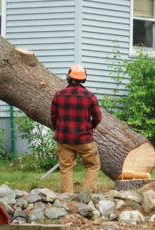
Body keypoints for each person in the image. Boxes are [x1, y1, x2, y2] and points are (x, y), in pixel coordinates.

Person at [50, 64, 102, 193]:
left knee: (66, 168)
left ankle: (66, 198)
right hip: (84, 140)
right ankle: (86, 195)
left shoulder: (58, 94)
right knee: (93, 165)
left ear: (69, 78)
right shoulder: (90, 96)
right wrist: (92, 128)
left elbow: (53, 117)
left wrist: (59, 130)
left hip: (64, 140)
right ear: (83, 79)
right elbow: (97, 118)